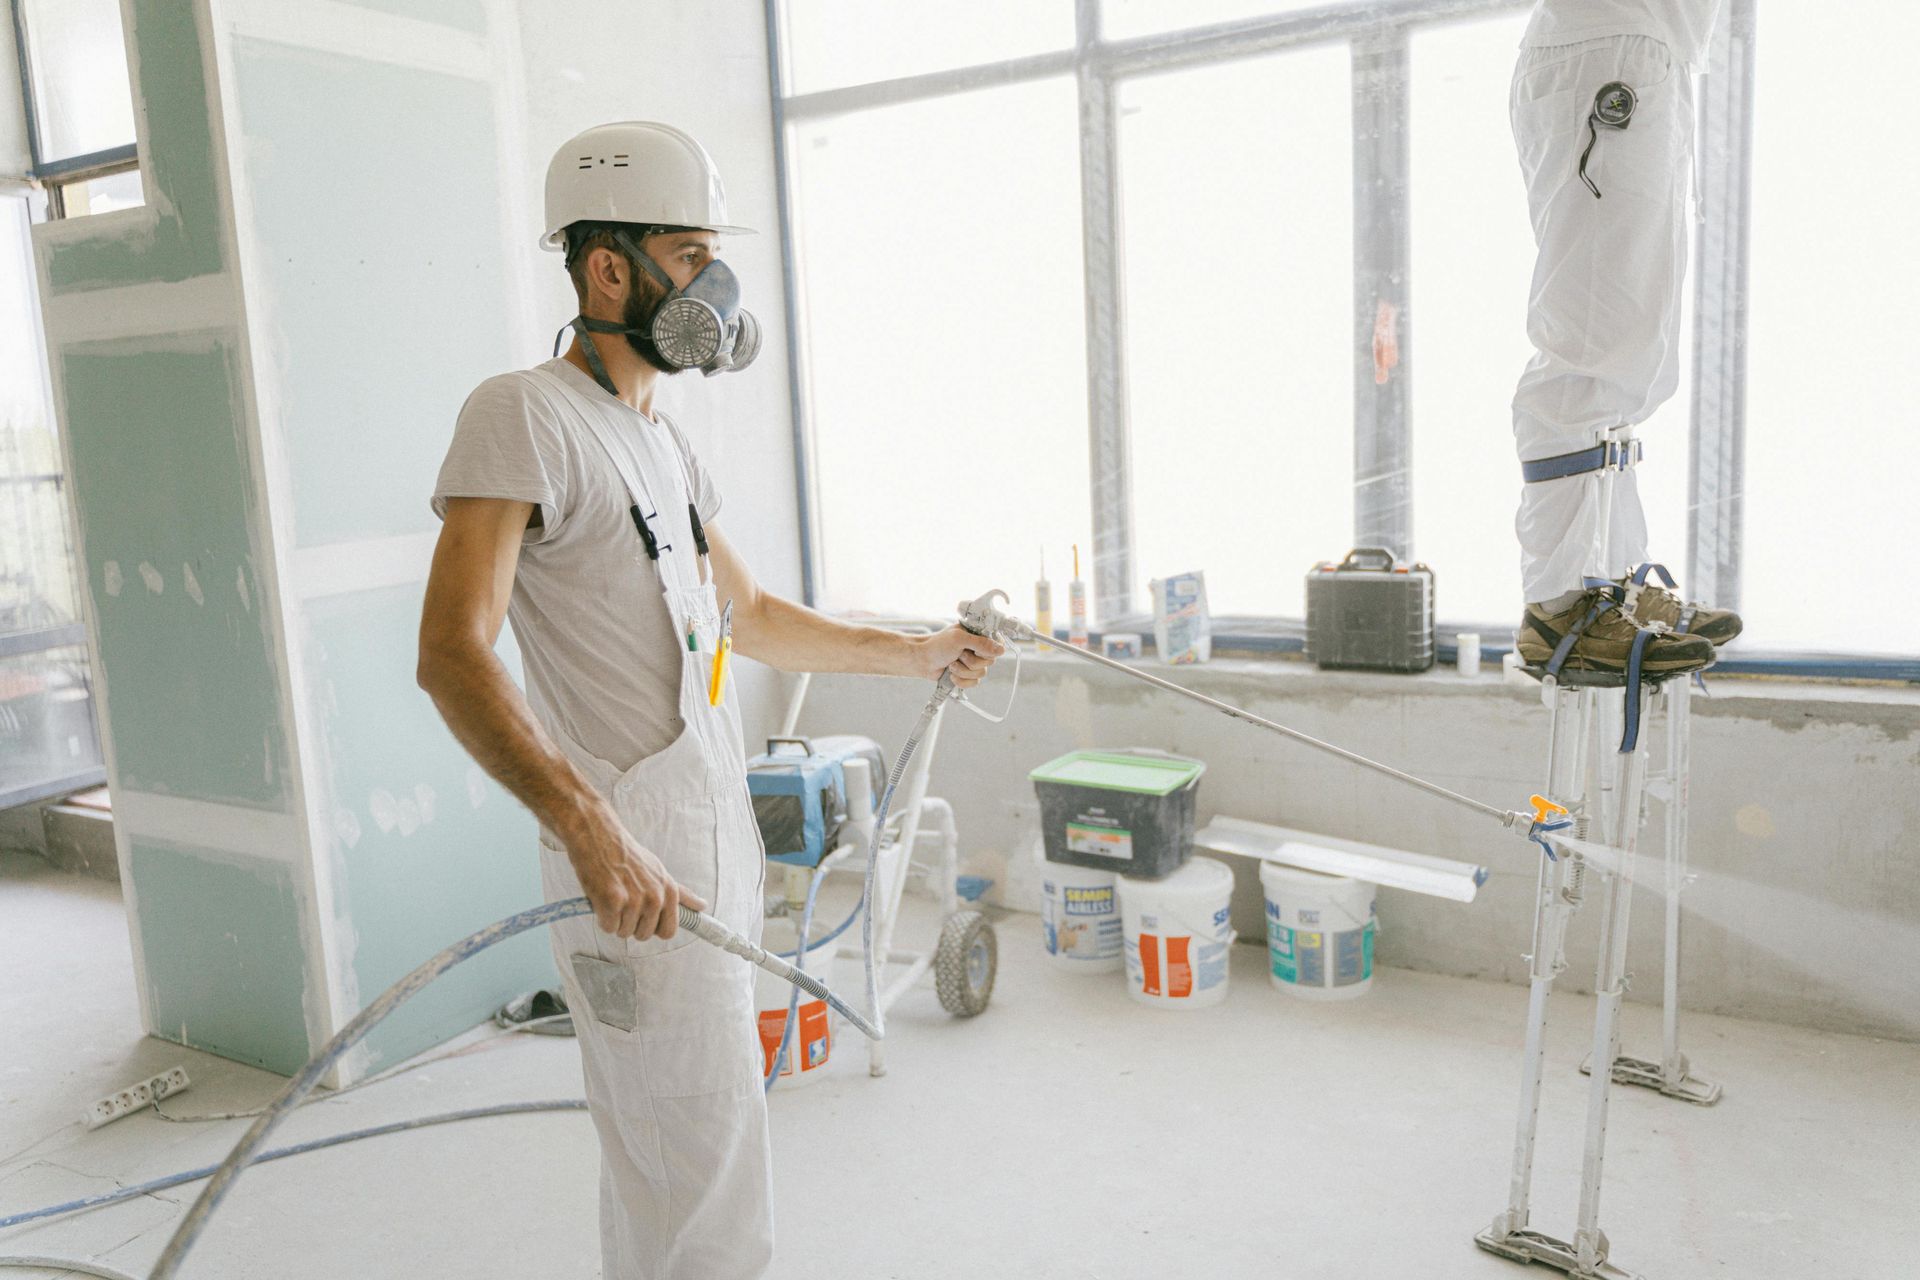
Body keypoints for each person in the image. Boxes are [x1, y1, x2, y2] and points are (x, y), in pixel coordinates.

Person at [416, 120, 1004, 1280]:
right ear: (607, 269)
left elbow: (753, 616)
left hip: (703, 824)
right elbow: (450, 651)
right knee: (699, 1158)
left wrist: (922, 651)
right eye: (688, 255)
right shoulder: (522, 412)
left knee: (677, 1151)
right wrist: (591, 828)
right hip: (634, 855)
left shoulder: (661, 440)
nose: (713, 284)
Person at [1508, 0, 1743, 677]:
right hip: (1614, 49)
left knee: (1632, 355)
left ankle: (1612, 588)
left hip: (1635, 51)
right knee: (1593, 345)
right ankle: (1562, 606)